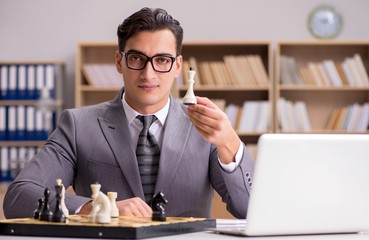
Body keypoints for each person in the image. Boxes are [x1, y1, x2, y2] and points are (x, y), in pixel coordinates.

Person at [3, 7, 254, 219]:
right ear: (119, 62)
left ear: (177, 66)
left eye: (162, 60)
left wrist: (230, 143)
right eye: (136, 58)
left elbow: (251, 211)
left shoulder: (205, 129)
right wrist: (97, 207)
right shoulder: (78, 125)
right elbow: (18, 198)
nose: (149, 74)